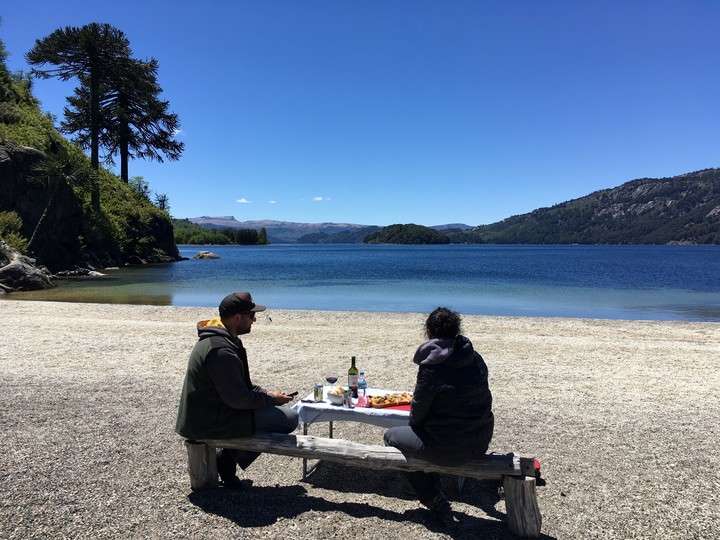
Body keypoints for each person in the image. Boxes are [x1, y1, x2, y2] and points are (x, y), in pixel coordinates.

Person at [384, 307, 494, 527]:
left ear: (429, 332)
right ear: (457, 330)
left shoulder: (432, 366)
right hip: (479, 439)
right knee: (426, 435)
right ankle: (431, 480)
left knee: (391, 437)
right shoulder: (474, 357)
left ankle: (433, 498)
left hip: (447, 447)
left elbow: (417, 416)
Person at [175, 292, 298, 488]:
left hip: (212, 410)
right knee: (289, 419)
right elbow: (239, 400)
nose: (254, 320)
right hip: (206, 421)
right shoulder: (221, 350)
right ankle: (226, 459)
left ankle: (227, 459)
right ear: (238, 318)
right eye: (251, 315)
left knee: (284, 415)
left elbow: (240, 387)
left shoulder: (224, 339)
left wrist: (268, 394)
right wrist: (271, 400)